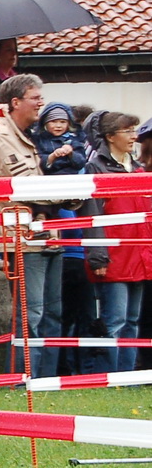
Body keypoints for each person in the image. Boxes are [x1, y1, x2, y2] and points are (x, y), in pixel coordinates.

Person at [0, 73, 62, 377]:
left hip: (43, 233)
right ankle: (22, 378)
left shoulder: (26, 134)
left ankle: (48, 378)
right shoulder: (1, 135)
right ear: (15, 102)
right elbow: (26, 186)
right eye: (34, 97)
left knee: (52, 311)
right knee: (31, 313)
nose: (41, 102)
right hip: (20, 237)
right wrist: (72, 193)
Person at [86, 112, 150, 373]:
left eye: (134, 130)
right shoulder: (96, 168)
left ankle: (127, 375)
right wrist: (98, 255)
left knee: (133, 320)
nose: (134, 136)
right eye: (127, 131)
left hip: (139, 254)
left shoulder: (138, 169)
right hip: (113, 255)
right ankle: (109, 376)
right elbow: (93, 215)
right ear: (111, 137)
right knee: (114, 320)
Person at [32, 102, 88, 176]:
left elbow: (81, 162)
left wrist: (71, 153)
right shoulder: (39, 140)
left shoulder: (74, 139)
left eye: (63, 122)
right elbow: (37, 163)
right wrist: (52, 156)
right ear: (45, 123)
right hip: (49, 179)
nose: (58, 125)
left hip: (73, 179)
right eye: (53, 122)